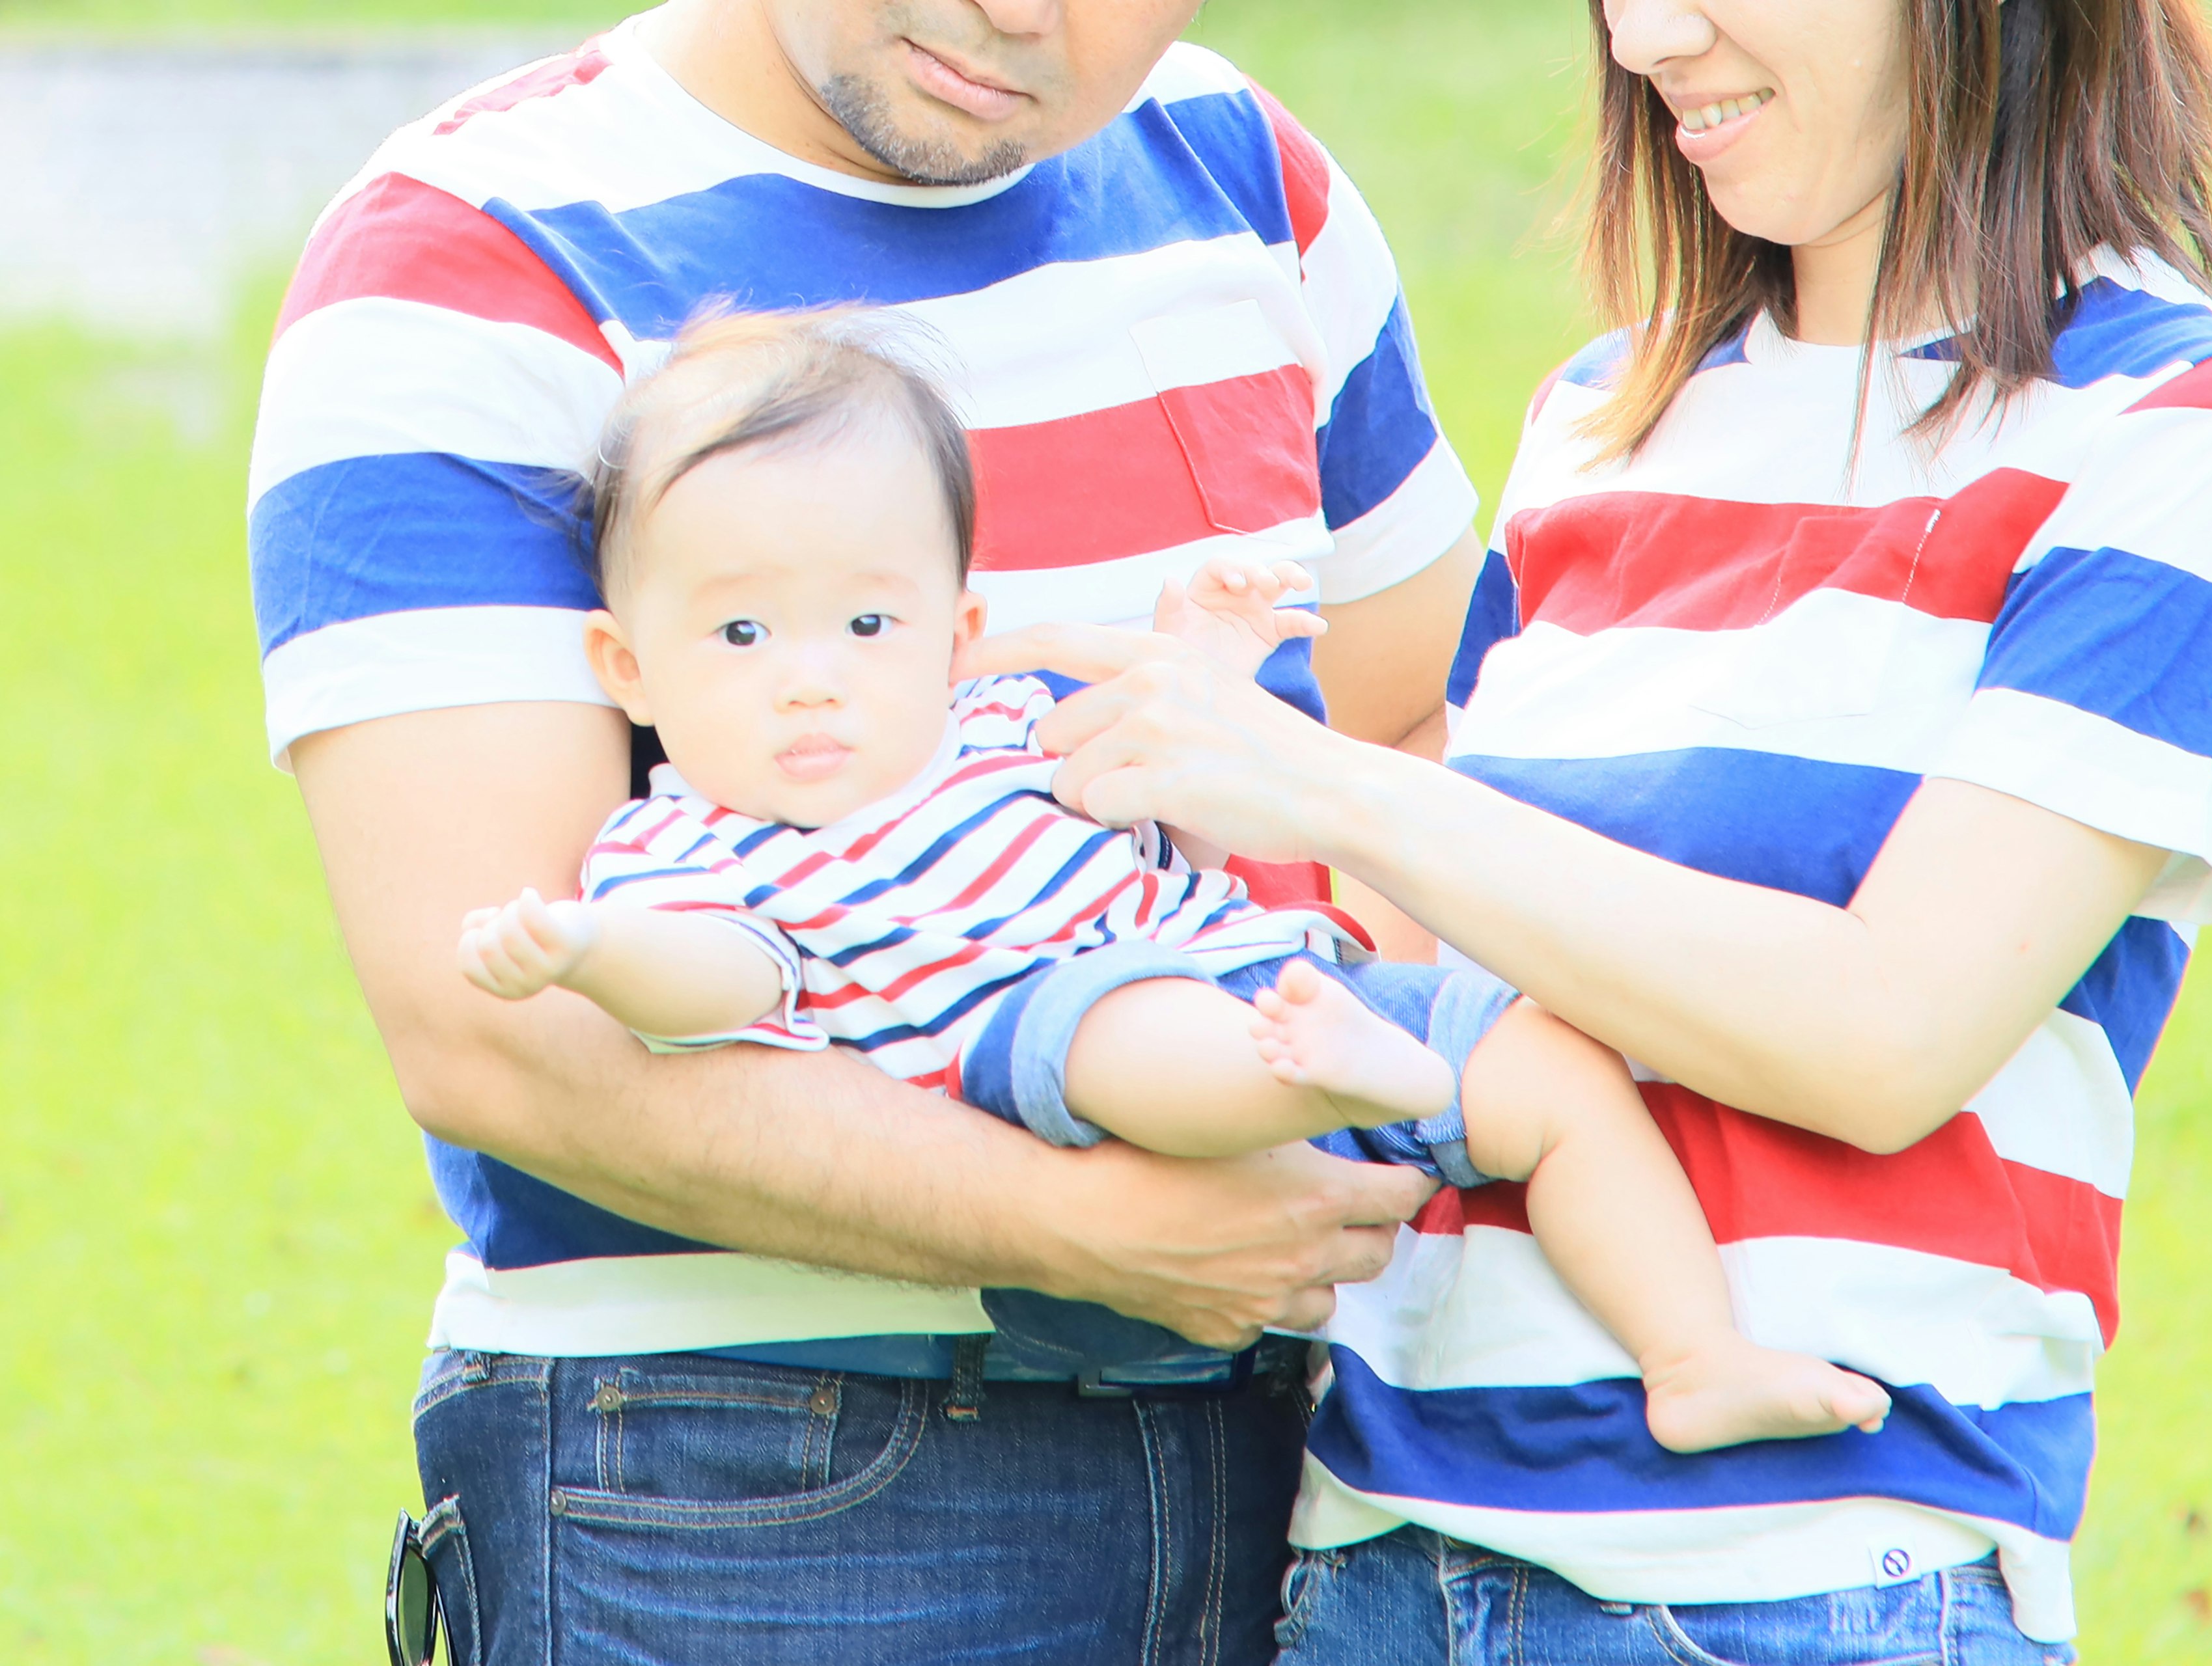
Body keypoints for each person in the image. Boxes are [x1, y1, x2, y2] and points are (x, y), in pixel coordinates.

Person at [961, 0, 2212, 1659]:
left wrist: (1324, 781)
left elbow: (1886, 1029)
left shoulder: (2193, 430)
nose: (1645, 38)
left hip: (1798, 1587)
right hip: (1375, 1559)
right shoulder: (1608, 409)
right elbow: (1436, 976)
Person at [247, 1, 1486, 1659]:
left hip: (1324, 1444)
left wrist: (1316, 1121)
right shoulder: (470, 251)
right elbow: (493, 1027)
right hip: (756, 1473)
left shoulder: (1243, 178)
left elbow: (1412, 713)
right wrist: (1092, 1224)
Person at [456, 305, 1894, 1449]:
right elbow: (717, 986)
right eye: (744, 637)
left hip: (1281, 973)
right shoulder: (685, 844)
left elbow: (1176, 813)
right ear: (626, 667)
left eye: (867, 620)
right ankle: (1323, 1077)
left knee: (1553, 1070)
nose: (812, 681)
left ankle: (1694, 1351)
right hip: (1048, 1058)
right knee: (1120, 1028)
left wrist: (1203, 658)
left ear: (960, 628)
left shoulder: (1007, 724)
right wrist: (586, 952)